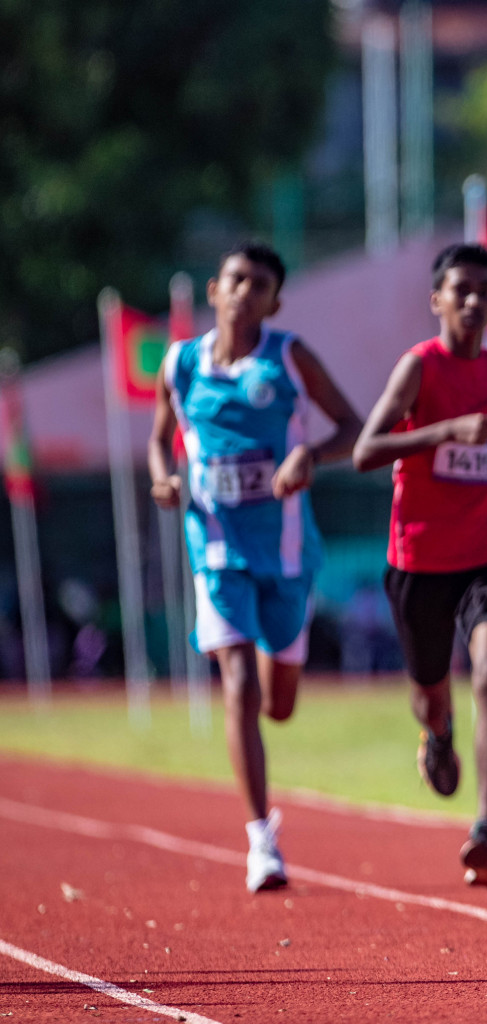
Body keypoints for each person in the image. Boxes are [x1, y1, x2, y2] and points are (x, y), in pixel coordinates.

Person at [149, 242, 362, 893]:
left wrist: (310, 458)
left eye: (259, 283)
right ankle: (261, 841)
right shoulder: (181, 363)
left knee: (279, 702)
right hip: (215, 550)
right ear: (215, 289)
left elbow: (353, 427)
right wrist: (163, 478)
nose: (245, 291)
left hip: (288, 555)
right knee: (237, 682)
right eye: (236, 279)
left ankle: (275, 692)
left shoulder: (289, 358)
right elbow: (162, 439)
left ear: (275, 300)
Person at [353, 243, 487, 889]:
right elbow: (367, 449)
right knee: (430, 689)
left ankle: (485, 826)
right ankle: (439, 730)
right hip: (419, 558)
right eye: (461, 289)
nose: (474, 299)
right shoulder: (418, 368)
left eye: (485, 288)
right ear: (438, 299)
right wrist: (443, 432)